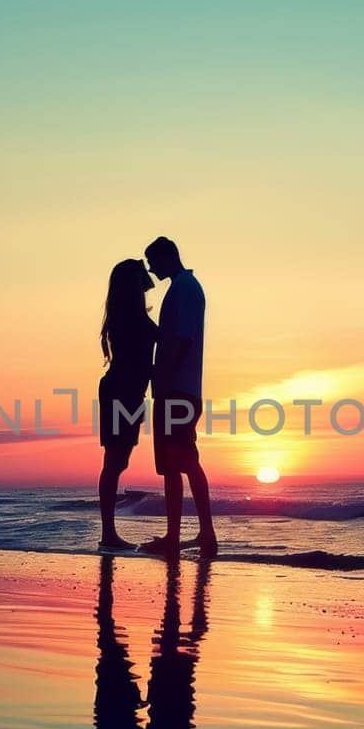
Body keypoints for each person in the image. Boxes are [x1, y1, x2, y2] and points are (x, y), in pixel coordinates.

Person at [139, 237, 218, 558]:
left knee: (186, 460)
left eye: (152, 262)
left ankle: (205, 533)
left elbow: (182, 339)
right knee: (172, 465)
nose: (151, 269)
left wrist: (163, 375)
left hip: (178, 389)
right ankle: (176, 534)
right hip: (176, 388)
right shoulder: (182, 287)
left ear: (166, 257)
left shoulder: (185, 288)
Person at [97, 258, 157, 549]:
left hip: (127, 391)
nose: (147, 279)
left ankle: (108, 532)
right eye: (141, 276)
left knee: (118, 461)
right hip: (121, 391)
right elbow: (139, 361)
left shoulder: (129, 314)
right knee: (114, 461)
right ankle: (108, 533)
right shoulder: (129, 318)